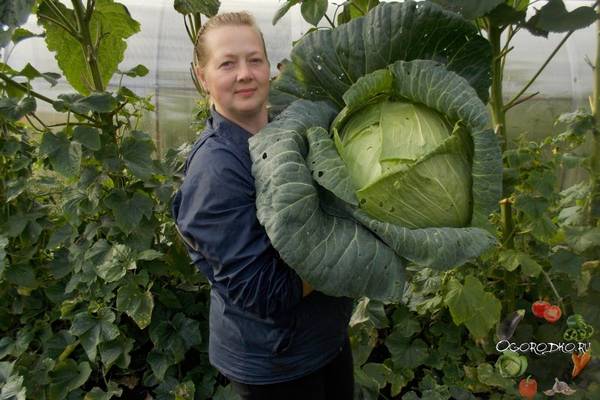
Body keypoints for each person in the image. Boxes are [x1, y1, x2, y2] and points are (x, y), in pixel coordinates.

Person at [171, 11, 354, 400]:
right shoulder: (215, 172)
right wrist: (346, 253)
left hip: (325, 338)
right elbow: (266, 293)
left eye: (255, 60)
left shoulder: (291, 127)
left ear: (269, 67)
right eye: (227, 63)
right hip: (276, 364)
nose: (245, 74)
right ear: (202, 76)